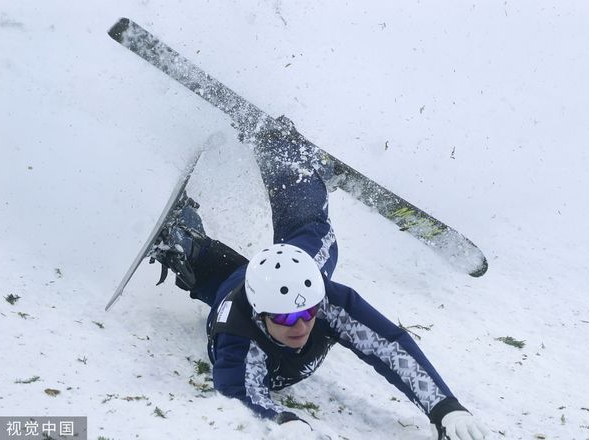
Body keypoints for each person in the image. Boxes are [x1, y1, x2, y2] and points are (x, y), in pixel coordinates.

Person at [151, 120, 488, 440]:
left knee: (314, 234)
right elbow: (240, 392)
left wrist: (445, 408)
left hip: (263, 278)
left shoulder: (323, 301)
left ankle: (281, 152)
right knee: (208, 266)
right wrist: (281, 420)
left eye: (308, 313)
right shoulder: (240, 342)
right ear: (259, 313)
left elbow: (388, 346)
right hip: (231, 292)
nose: (300, 324)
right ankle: (179, 238)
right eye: (285, 318)